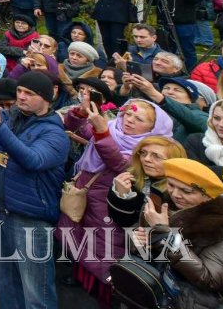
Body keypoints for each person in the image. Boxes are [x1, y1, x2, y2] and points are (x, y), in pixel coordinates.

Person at [0, 72, 70, 309]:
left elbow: (32, 160)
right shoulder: (7, 117)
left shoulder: (55, 133)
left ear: (46, 98)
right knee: (2, 275)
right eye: (20, 91)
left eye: (29, 93)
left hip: (28, 216)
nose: (22, 97)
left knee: (36, 288)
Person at [58, 97, 173, 291]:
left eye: (139, 119)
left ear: (153, 127)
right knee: (82, 244)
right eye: (128, 114)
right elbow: (77, 127)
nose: (129, 120)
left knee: (103, 254)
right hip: (87, 200)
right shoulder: (113, 128)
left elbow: (119, 163)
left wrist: (102, 133)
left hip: (109, 208)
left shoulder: (150, 148)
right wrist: (81, 113)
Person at [129, 159, 223, 309]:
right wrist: (140, 243)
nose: (175, 194)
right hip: (159, 296)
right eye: (171, 185)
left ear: (208, 196)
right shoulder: (164, 208)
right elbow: (150, 253)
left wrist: (164, 234)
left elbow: (209, 278)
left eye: (186, 191)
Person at [105, 135, 188, 229]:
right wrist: (122, 196)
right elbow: (123, 222)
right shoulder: (130, 179)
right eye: (143, 153)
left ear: (175, 162)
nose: (146, 159)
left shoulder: (185, 191)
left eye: (156, 156)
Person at [149, 0, 204, 70]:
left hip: (185, 23)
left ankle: (191, 72)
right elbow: (150, 1)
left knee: (187, 50)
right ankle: (167, 71)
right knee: (166, 49)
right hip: (166, 23)